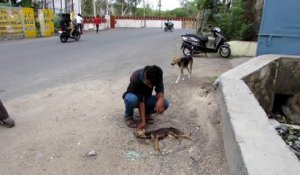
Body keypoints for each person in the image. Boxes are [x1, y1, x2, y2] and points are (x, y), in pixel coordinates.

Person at [122, 65, 169, 130]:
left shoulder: (158, 75)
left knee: (165, 103)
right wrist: (143, 121)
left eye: (152, 85)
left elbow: (160, 90)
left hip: (146, 97)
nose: (150, 87)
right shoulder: (135, 77)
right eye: (149, 83)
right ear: (145, 75)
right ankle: (128, 116)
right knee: (131, 100)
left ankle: (146, 113)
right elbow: (141, 100)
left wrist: (160, 100)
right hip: (134, 97)